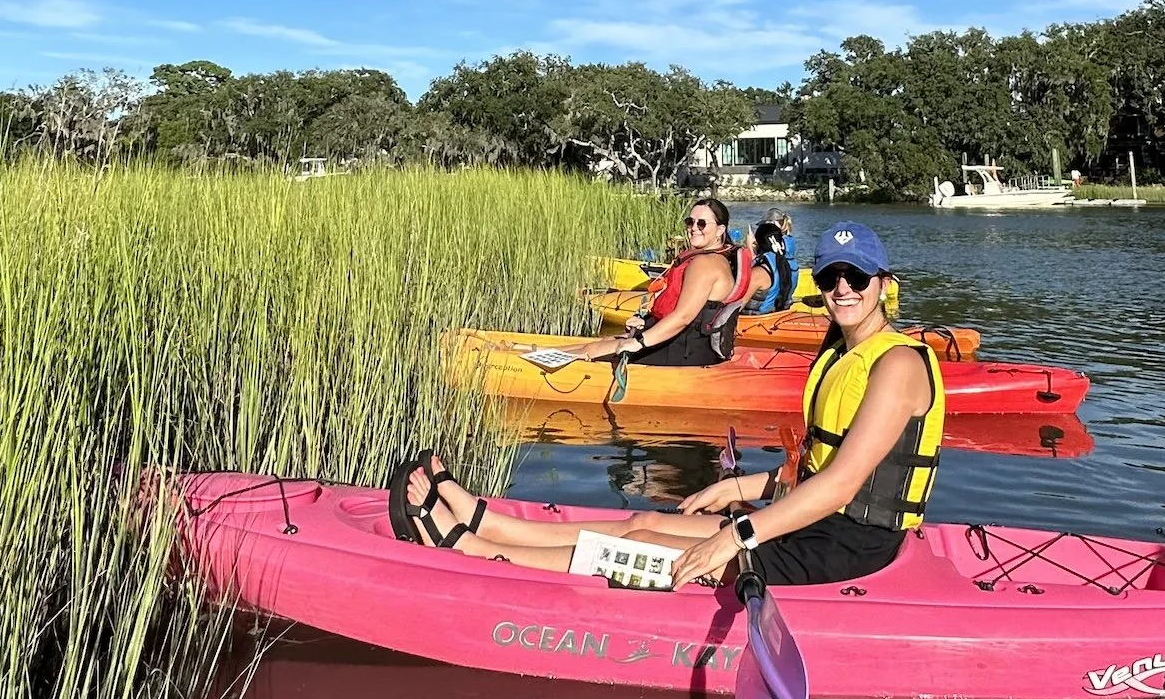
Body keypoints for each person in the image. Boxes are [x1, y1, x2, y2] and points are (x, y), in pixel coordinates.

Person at [386, 219, 943, 591]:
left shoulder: (896, 365)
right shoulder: (841, 355)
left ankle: (479, 555)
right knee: (643, 519)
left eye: (856, 277)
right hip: (816, 525)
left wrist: (737, 534)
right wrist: (736, 489)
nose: (843, 288)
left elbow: (844, 486)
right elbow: (814, 469)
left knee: (648, 548)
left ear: (883, 283)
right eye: (830, 277)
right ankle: (488, 522)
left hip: (850, 546)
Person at [570, 195, 747, 370]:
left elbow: (683, 317)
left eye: (702, 223)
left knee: (590, 350)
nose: (694, 228)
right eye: (690, 222)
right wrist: (645, 323)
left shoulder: (705, 263)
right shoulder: (717, 258)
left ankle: (546, 363)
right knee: (604, 341)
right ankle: (543, 352)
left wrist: (639, 342)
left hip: (685, 351)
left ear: (720, 230)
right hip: (684, 343)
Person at [748, 217, 797, 314]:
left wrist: (750, 250)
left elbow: (737, 305)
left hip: (756, 320)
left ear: (757, 243)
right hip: (782, 314)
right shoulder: (791, 263)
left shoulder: (759, 272)